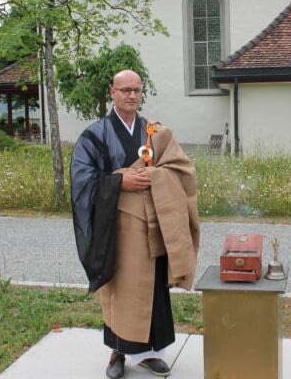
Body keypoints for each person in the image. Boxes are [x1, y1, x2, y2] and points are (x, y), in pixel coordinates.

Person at [70, 69, 200, 379]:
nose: (131, 95)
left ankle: (152, 354)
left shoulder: (153, 132)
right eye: (124, 89)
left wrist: (155, 176)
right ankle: (118, 353)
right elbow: (81, 180)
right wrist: (119, 181)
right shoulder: (96, 135)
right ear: (112, 92)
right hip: (117, 229)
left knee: (152, 289)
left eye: (136, 90)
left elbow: (182, 169)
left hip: (153, 226)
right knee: (118, 289)